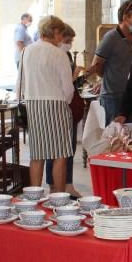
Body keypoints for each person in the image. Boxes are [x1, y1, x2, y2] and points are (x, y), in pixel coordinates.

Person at [16, 16, 74, 193]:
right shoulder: (59, 53)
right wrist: (66, 102)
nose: (61, 38)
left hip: (33, 105)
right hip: (56, 104)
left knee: (37, 155)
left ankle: (34, 197)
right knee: (60, 154)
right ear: (55, 32)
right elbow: (68, 87)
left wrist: (23, 103)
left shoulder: (26, 51)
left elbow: (20, 83)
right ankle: (58, 196)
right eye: (61, 34)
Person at [45, 24, 84, 198]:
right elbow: (62, 83)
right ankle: (55, 186)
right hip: (59, 105)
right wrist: (73, 77)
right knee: (55, 149)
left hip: (67, 105)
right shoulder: (54, 55)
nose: (69, 44)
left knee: (68, 149)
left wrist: (76, 77)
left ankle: (67, 184)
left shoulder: (65, 54)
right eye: (67, 40)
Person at [88, 1, 132, 122]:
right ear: (125, 18)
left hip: (130, 95)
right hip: (112, 96)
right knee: (113, 135)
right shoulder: (111, 37)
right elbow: (97, 64)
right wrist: (109, 77)